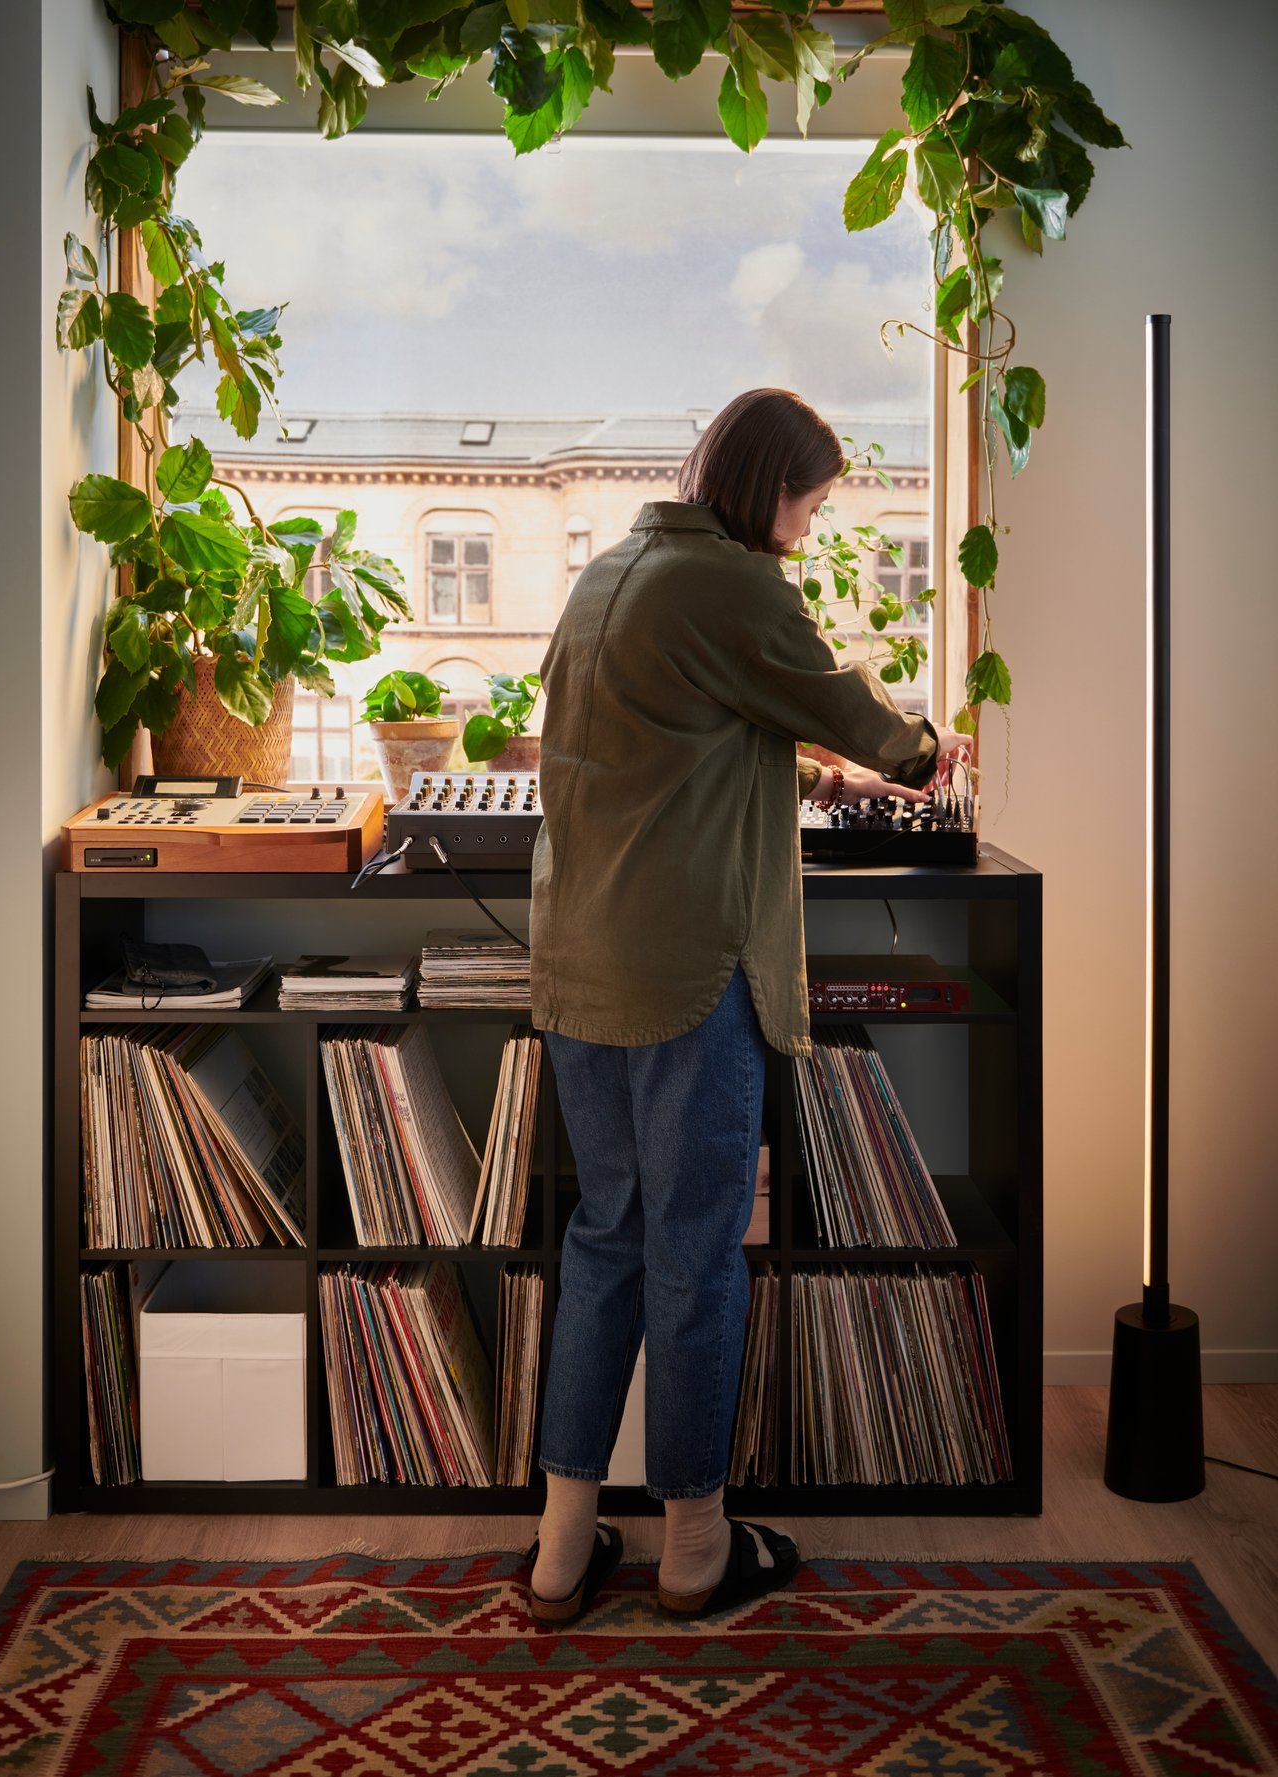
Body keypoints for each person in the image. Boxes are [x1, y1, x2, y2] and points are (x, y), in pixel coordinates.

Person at [523, 387, 957, 1626]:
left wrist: (785, 756)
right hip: (684, 975)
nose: (809, 532)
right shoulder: (732, 585)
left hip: (579, 968)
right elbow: (862, 719)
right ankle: (696, 1548)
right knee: (700, 1254)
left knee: (606, 1235)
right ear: (769, 485)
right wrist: (923, 752)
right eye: (810, 504)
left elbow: (670, 732)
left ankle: (562, 1550)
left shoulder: (613, 567)